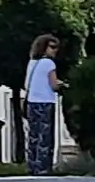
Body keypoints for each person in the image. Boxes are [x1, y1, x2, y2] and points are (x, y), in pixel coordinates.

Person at [22, 35, 64, 174]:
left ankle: (32, 166)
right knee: (45, 137)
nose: (55, 51)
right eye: (52, 47)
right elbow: (53, 84)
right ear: (44, 48)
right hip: (45, 101)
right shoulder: (49, 63)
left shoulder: (32, 63)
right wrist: (60, 84)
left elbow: (26, 84)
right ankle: (43, 168)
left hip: (31, 102)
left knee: (33, 136)